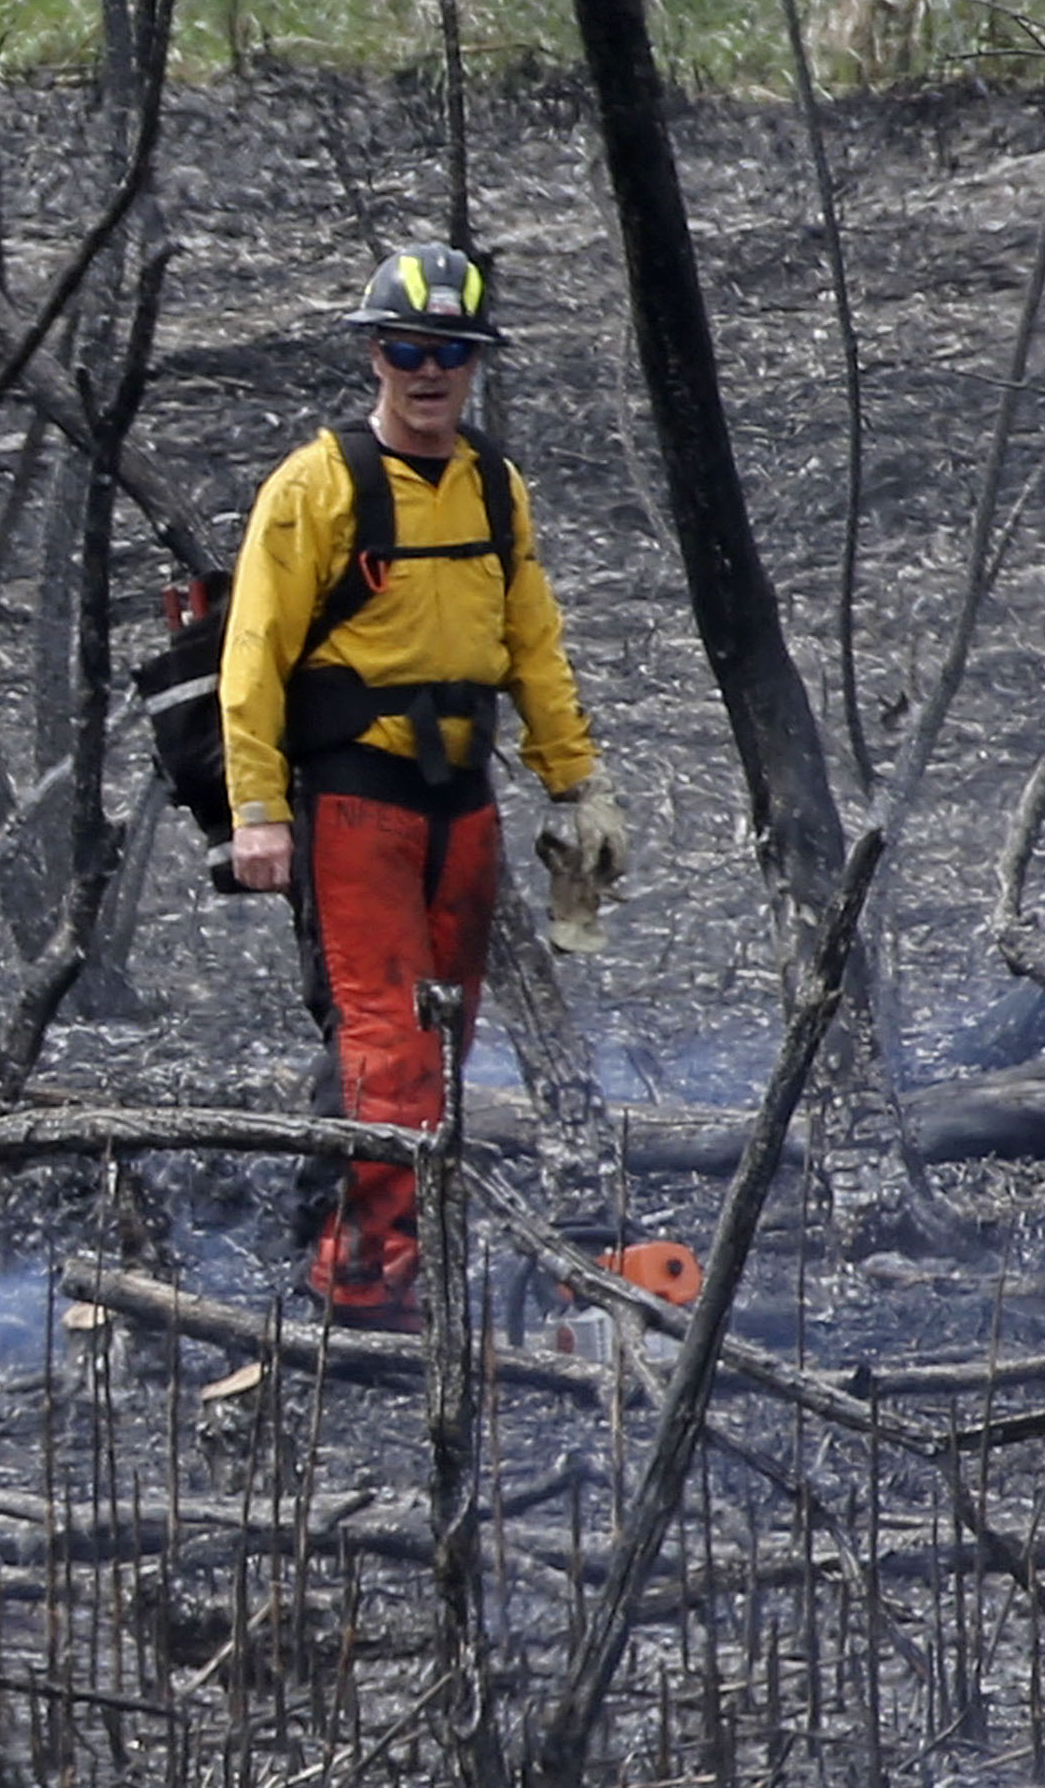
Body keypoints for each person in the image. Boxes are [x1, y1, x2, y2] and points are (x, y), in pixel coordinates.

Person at [220, 243, 626, 1329]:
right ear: (373, 353)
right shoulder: (316, 487)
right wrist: (257, 811)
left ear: (475, 364)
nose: (429, 369)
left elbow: (532, 642)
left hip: (465, 803)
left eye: (452, 351)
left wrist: (574, 785)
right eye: (408, 348)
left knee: (442, 1045)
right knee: (384, 1041)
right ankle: (358, 1280)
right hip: (355, 797)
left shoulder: (494, 487)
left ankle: (404, 1256)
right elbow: (251, 656)